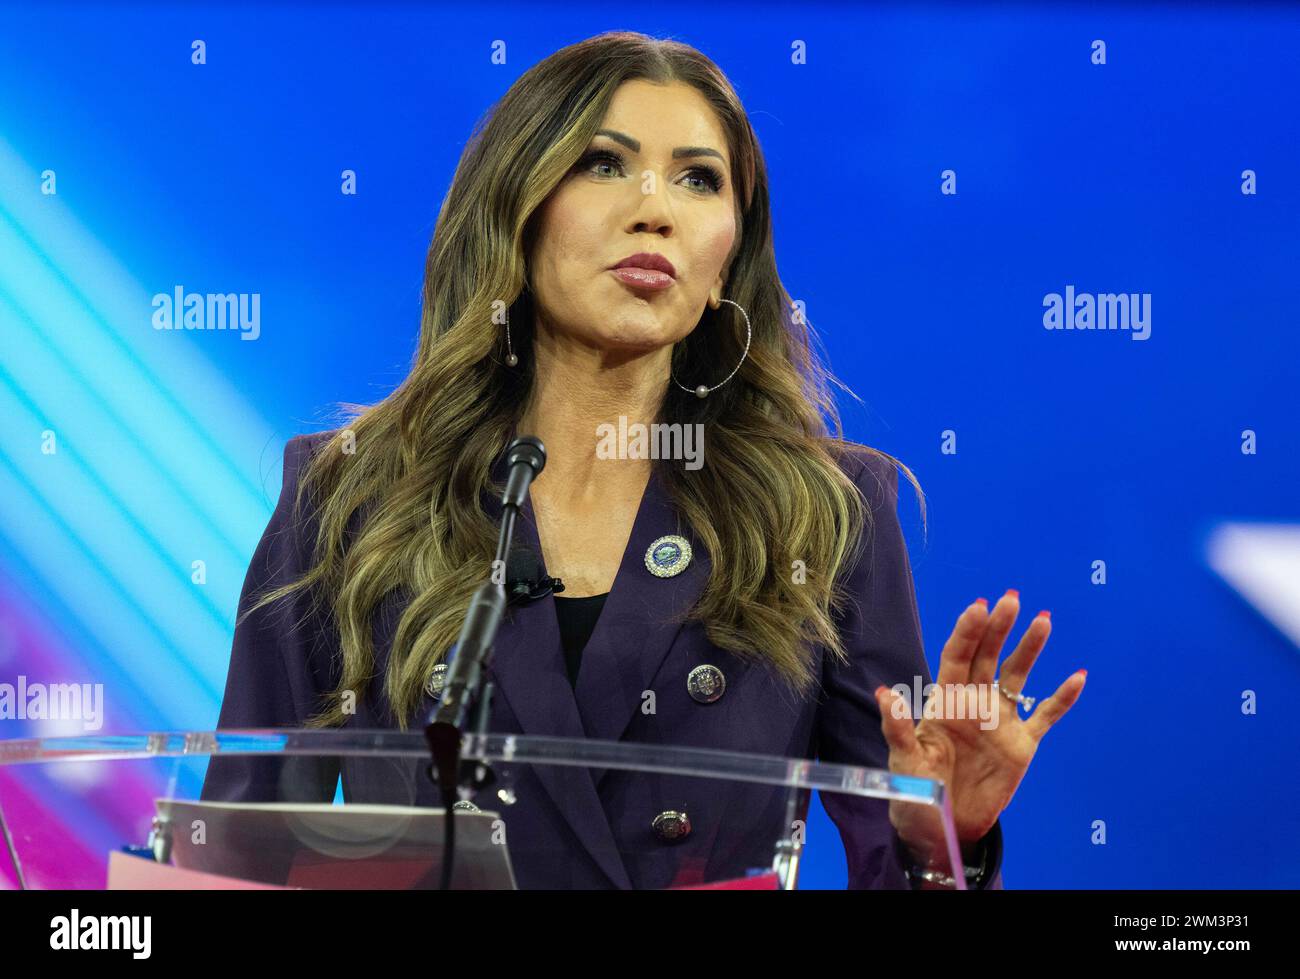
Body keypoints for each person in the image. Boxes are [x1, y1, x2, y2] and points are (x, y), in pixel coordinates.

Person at [202, 31, 1085, 889]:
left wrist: (940, 838)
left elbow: (898, 871)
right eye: (604, 162)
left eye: (700, 179)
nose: (655, 207)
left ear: (727, 255)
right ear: (517, 206)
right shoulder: (349, 498)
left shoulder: (827, 513)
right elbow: (243, 858)